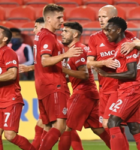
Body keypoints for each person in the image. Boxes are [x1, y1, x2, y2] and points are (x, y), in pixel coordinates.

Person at [33, 4, 82, 150]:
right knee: (61, 125)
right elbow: (45, 61)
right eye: (58, 17)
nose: (62, 20)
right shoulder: (48, 37)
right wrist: (66, 54)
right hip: (53, 85)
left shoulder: (42, 35)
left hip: (43, 85)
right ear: (48, 18)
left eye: (62, 17)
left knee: (47, 126)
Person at [86, 5, 136, 141]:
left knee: (110, 123)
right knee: (117, 126)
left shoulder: (128, 36)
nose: (101, 20)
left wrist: (135, 44)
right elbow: (89, 63)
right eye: (99, 17)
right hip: (104, 88)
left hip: (120, 87)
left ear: (113, 18)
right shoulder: (94, 38)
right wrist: (104, 62)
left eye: (104, 17)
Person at [59, 21, 110, 150]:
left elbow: (84, 74)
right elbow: (77, 74)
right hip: (90, 93)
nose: (62, 34)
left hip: (83, 93)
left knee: (65, 126)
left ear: (75, 34)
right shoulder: (76, 49)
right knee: (98, 129)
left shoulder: (78, 49)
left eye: (66, 31)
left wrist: (63, 70)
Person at [95, 17, 140, 150]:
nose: (107, 33)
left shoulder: (127, 46)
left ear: (119, 30)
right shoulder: (120, 47)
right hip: (126, 89)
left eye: (109, 30)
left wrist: (107, 75)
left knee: (112, 122)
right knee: (134, 127)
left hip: (131, 90)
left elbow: (132, 73)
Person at [0, 26, 36, 150]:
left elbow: (12, 74)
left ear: (5, 38)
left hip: (11, 100)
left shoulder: (8, 52)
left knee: (10, 135)